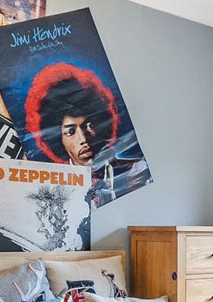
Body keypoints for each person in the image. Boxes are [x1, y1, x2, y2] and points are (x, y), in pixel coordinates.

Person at [22, 62, 151, 206]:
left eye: (89, 126)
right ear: (58, 140)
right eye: (70, 132)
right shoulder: (53, 193)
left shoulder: (136, 172)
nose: (83, 139)